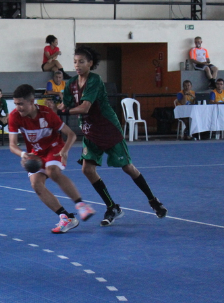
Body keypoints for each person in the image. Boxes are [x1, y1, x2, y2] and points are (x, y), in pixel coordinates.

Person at [57, 46, 167, 226]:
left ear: (90, 63)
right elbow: (64, 105)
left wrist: (64, 111)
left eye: (81, 62)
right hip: (90, 130)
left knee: (128, 167)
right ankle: (112, 207)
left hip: (108, 129)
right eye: (75, 62)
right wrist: (53, 109)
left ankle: (153, 201)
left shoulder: (95, 80)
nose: (77, 65)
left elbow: (85, 107)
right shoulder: (71, 84)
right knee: (87, 169)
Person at [9, 84, 95, 233]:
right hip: (35, 153)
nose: (18, 108)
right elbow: (12, 145)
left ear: (32, 102)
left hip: (54, 147)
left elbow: (71, 134)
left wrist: (65, 151)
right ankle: (65, 217)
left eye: (21, 104)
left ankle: (81, 205)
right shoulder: (14, 116)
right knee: (36, 185)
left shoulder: (47, 114)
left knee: (52, 171)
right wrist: (23, 154)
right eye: (16, 104)